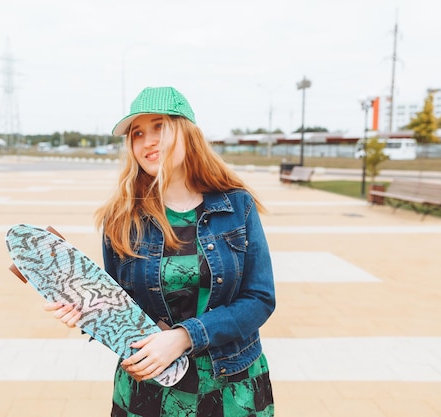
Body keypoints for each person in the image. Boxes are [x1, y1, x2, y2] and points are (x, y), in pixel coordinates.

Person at [45, 86, 275, 416]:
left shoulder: (237, 206)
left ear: (188, 133)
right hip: (149, 389)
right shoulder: (121, 217)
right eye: (137, 133)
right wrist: (86, 311)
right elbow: (120, 303)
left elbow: (260, 298)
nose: (147, 141)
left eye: (159, 127)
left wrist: (184, 337)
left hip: (231, 386)